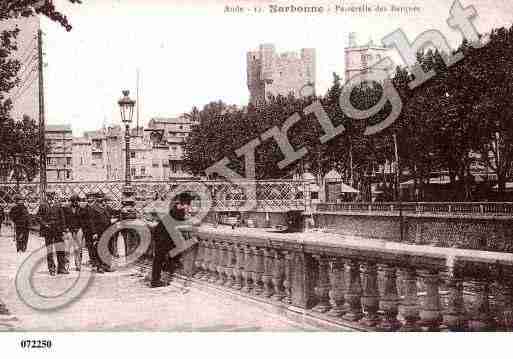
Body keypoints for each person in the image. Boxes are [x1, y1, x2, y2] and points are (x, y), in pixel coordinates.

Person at [150, 192, 192, 288]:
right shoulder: (179, 210)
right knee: (160, 258)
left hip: (161, 234)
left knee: (160, 258)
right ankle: (156, 280)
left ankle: (157, 278)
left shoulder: (176, 208)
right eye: (188, 204)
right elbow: (181, 223)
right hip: (163, 236)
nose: (189, 207)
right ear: (185, 203)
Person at [37, 192, 68, 275]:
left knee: (60, 249)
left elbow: (62, 218)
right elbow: (38, 217)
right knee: (50, 250)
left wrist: (64, 230)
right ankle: (51, 268)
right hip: (48, 230)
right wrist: (44, 224)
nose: (51, 198)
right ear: (47, 197)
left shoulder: (58, 205)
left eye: (52, 196)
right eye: (49, 196)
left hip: (58, 230)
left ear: (54, 197)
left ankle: (61, 268)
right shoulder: (43, 205)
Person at [91, 194, 115, 273]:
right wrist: (94, 232)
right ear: (97, 200)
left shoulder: (107, 208)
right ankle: (99, 266)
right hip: (99, 232)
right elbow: (92, 222)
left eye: (104, 200)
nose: (103, 201)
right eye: (101, 200)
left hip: (108, 231)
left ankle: (107, 265)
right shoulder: (94, 209)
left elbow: (114, 212)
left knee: (108, 248)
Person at [81, 193, 103, 273]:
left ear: (94, 198)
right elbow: (82, 219)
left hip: (96, 232)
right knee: (90, 248)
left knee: (97, 248)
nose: (89, 199)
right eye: (88, 198)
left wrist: (95, 232)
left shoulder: (97, 207)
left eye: (91, 198)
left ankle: (99, 265)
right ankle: (94, 264)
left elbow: (96, 221)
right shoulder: (84, 208)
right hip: (87, 232)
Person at [64, 195, 84, 271]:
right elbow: (64, 219)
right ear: (71, 201)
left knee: (78, 248)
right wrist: (65, 228)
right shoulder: (66, 209)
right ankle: (66, 265)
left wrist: (82, 228)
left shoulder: (81, 209)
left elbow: (84, 220)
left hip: (78, 229)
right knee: (67, 249)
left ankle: (78, 264)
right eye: (74, 201)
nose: (76, 202)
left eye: (77, 201)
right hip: (69, 230)